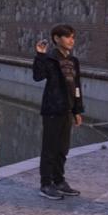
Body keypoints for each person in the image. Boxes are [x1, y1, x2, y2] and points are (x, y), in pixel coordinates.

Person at [33, 24, 85, 200]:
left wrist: (78, 110)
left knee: (62, 148)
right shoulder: (49, 58)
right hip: (52, 110)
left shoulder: (73, 61)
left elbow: (76, 87)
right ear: (57, 38)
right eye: (68, 36)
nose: (72, 40)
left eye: (73, 37)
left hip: (67, 110)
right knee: (50, 148)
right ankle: (45, 184)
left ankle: (59, 181)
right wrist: (39, 55)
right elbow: (38, 76)